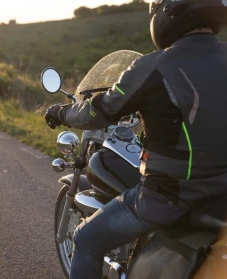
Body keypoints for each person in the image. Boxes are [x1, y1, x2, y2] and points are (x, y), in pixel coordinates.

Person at [44, 0, 227, 278]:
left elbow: (98, 111)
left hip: (168, 198)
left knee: (85, 239)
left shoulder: (154, 66)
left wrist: (61, 112)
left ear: (169, 11)